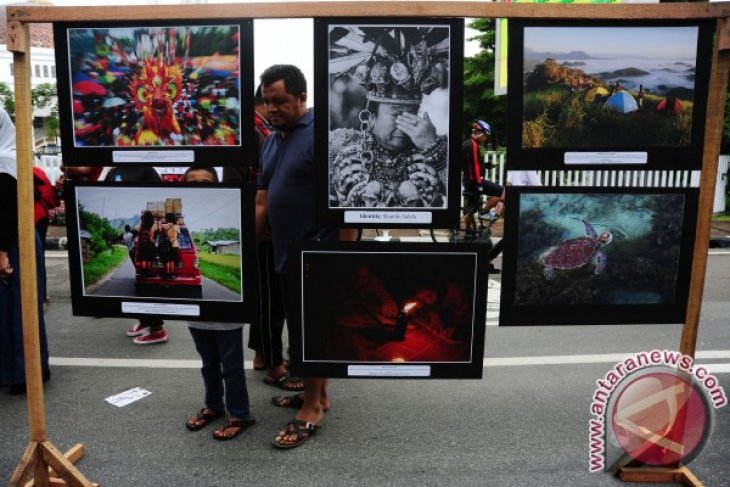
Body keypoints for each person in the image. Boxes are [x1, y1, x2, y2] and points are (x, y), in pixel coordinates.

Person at [257, 64, 354, 449]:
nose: (271, 109)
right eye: (267, 102)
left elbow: (345, 200)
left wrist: (343, 258)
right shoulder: (271, 139)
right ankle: (319, 394)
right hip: (284, 251)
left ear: (302, 98)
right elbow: (263, 197)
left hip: (318, 253)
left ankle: (311, 406)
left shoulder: (322, 136)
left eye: (279, 101)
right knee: (303, 329)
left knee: (310, 332)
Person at [222, 85, 298, 391]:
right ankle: (271, 363)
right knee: (269, 300)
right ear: (261, 102)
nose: (275, 108)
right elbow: (243, 187)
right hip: (262, 228)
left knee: (270, 297)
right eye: (271, 102)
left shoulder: (261, 128)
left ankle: (263, 355)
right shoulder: (249, 131)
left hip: (267, 225)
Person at [328, 28, 448, 208]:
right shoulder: (339, 148)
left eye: (412, 115)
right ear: (371, 117)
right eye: (397, 115)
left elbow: (455, 196)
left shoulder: (436, 151)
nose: (405, 125)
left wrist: (434, 150)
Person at [183, 165, 255, 440]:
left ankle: (240, 414)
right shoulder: (177, 219)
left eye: (207, 181)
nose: (201, 186)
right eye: (194, 182)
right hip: (195, 310)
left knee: (232, 366)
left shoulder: (236, 208)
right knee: (208, 362)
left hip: (228, 311)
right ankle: (213, 405)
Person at [0, 107, 51, 394]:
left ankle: (25, 373)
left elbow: (6, 213)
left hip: (13, 243)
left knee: (19, 309)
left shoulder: (6, 161)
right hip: (14, 241)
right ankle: (21, 370)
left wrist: (2, 253)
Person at [105, 166, 169, 345]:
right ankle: (145, 321)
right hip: (138, 250)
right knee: (141, 281)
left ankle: (157, 329)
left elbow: (159, 200)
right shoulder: (113, 171)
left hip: (146, 251)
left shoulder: (147, 171)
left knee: (147, 282)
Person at [462, 120, 504, 239]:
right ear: (480, 133)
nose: (486, 138)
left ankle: (469, 233)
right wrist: (479, 184)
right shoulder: (472, 145)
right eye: (485, 135)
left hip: (469, 181)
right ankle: (484, 211)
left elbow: (470, 164)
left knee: (470, 207)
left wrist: (485, 165)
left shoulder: (468, 143)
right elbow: (474, 166)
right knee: (503, 192)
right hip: (474, 181)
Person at [33, 166, 60, 302]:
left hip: (26, 218)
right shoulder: (39, 172)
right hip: (40, 217)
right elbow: (49, 198)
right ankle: (41, 294)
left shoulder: (10, 169)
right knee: (39, 256)